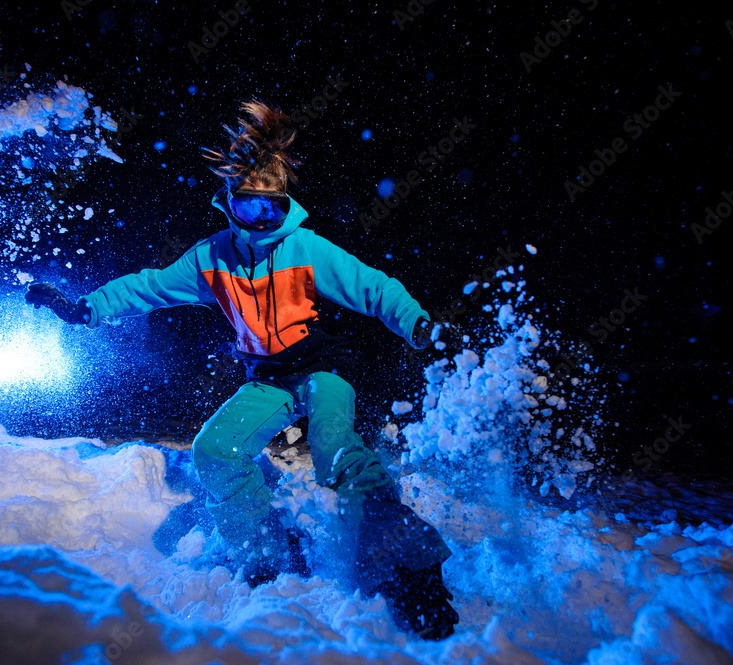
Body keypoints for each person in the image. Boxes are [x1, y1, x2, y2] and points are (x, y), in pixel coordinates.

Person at [25, 99, 458, 639]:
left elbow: (372, 287)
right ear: (228, 204)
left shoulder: (305, 248)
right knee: (214, 449)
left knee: (334, 444)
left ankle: (410, 565)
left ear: (287, 207)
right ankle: (268, 552)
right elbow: (150, 286)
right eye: (249, 209)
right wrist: (83, 307)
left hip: (323, 364)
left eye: (271, 210)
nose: (261, 224)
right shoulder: (212, 258)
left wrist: (419, 324)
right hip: (267, 376)